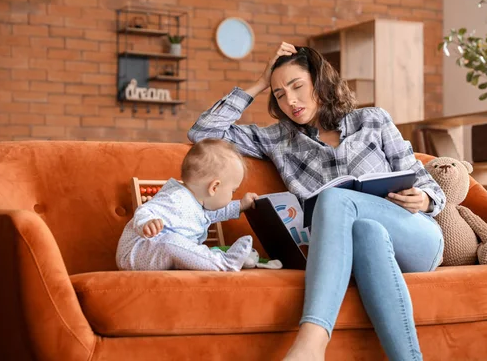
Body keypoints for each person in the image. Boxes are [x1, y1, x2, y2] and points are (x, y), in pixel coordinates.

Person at [188, 43, 446, 360]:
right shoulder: (277, 138)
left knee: (334, 199)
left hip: (415, 235)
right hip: (365, 244)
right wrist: (258, 83)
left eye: (297, 86)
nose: (291, 101)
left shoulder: (373, 121)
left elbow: (429, 184)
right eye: (280, 93)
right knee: (365, 230)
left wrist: (423, 198)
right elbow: (202, 132)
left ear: (320, 82)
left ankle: (311, 344)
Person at [116, 138, 258, 272]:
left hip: (157, 256)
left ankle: (212, 257)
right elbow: (144, 209)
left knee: (186, 247)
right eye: (232, 191)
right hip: (136, 254)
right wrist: (147, 222)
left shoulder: (197, 203)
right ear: (214, 187)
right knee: (171, 243)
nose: (232, 194)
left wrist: (240, 205)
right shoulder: (176, 199)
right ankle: (225, 263)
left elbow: (212, 214)